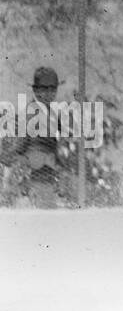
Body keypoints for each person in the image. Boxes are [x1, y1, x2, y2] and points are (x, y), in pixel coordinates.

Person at [0, 66, 68, 207]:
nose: (49, 93)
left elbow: (59, 142)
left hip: (49, 174)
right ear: (36, 90)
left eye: (52, 89)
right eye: (44, 89)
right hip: (33, 174)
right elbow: (19, 144)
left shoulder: (53, 113)